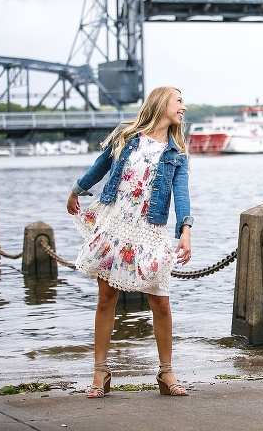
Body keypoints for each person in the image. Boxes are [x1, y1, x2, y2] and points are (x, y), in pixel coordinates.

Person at [66, 86, 193, 398]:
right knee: (106, 296)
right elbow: (101, 165)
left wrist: (185, 229)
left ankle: (166, 371)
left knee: (160, 301)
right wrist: (77, 189)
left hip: (151, 230)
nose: (183, 108)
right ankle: (100, 371)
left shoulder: (177, 152)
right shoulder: (126, 134)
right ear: (162, 103)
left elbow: (182, 192)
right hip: (116, 222)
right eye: (179, 101)